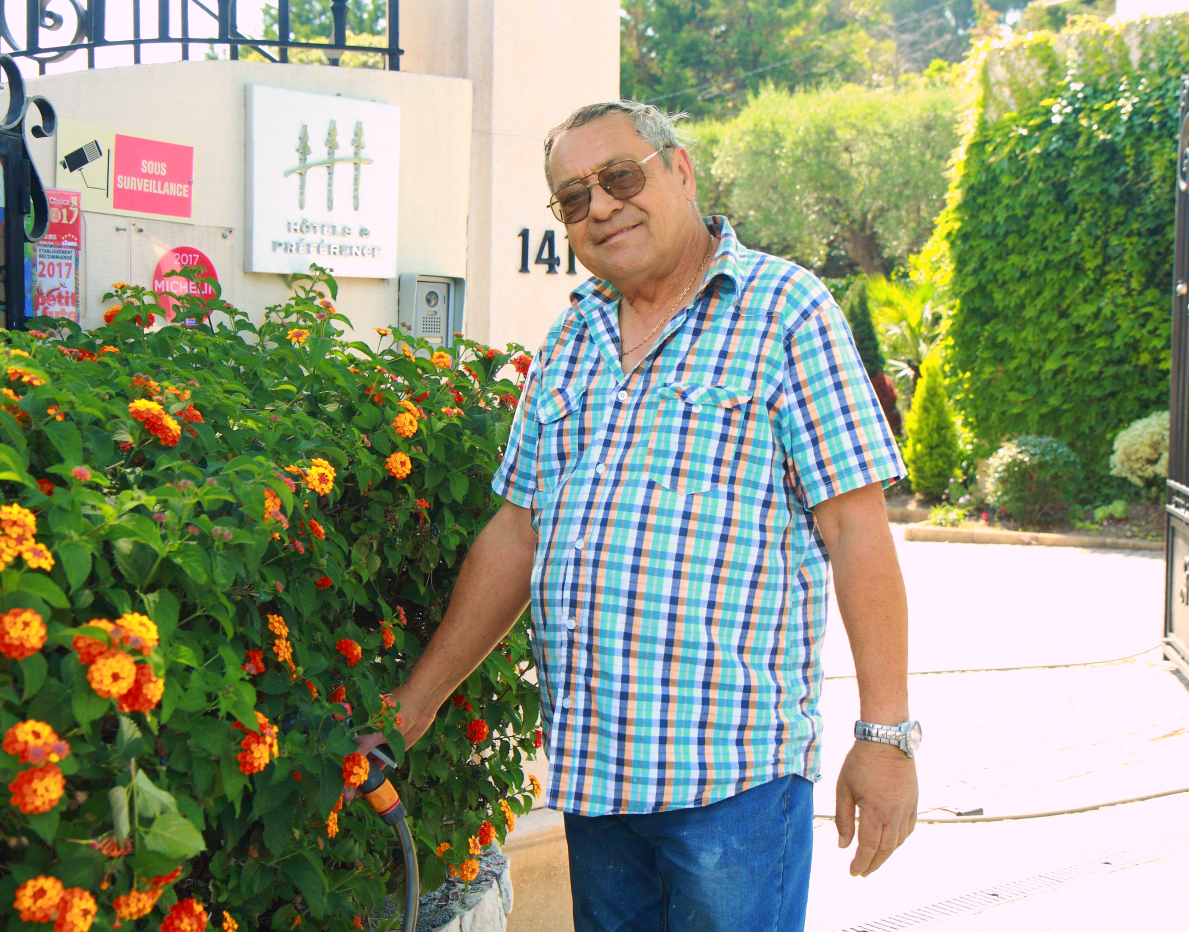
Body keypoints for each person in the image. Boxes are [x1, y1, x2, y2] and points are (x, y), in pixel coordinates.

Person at [358, 100, 919, 932]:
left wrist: (885, 736)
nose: (601, 207)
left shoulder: (783, 310)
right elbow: (517, 533)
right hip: (596, 782)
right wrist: (418, 701)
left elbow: (856, 531)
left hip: (732, 785)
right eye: (573, 198)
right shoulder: (572, 338)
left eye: (620, 177)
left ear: (680, 171)